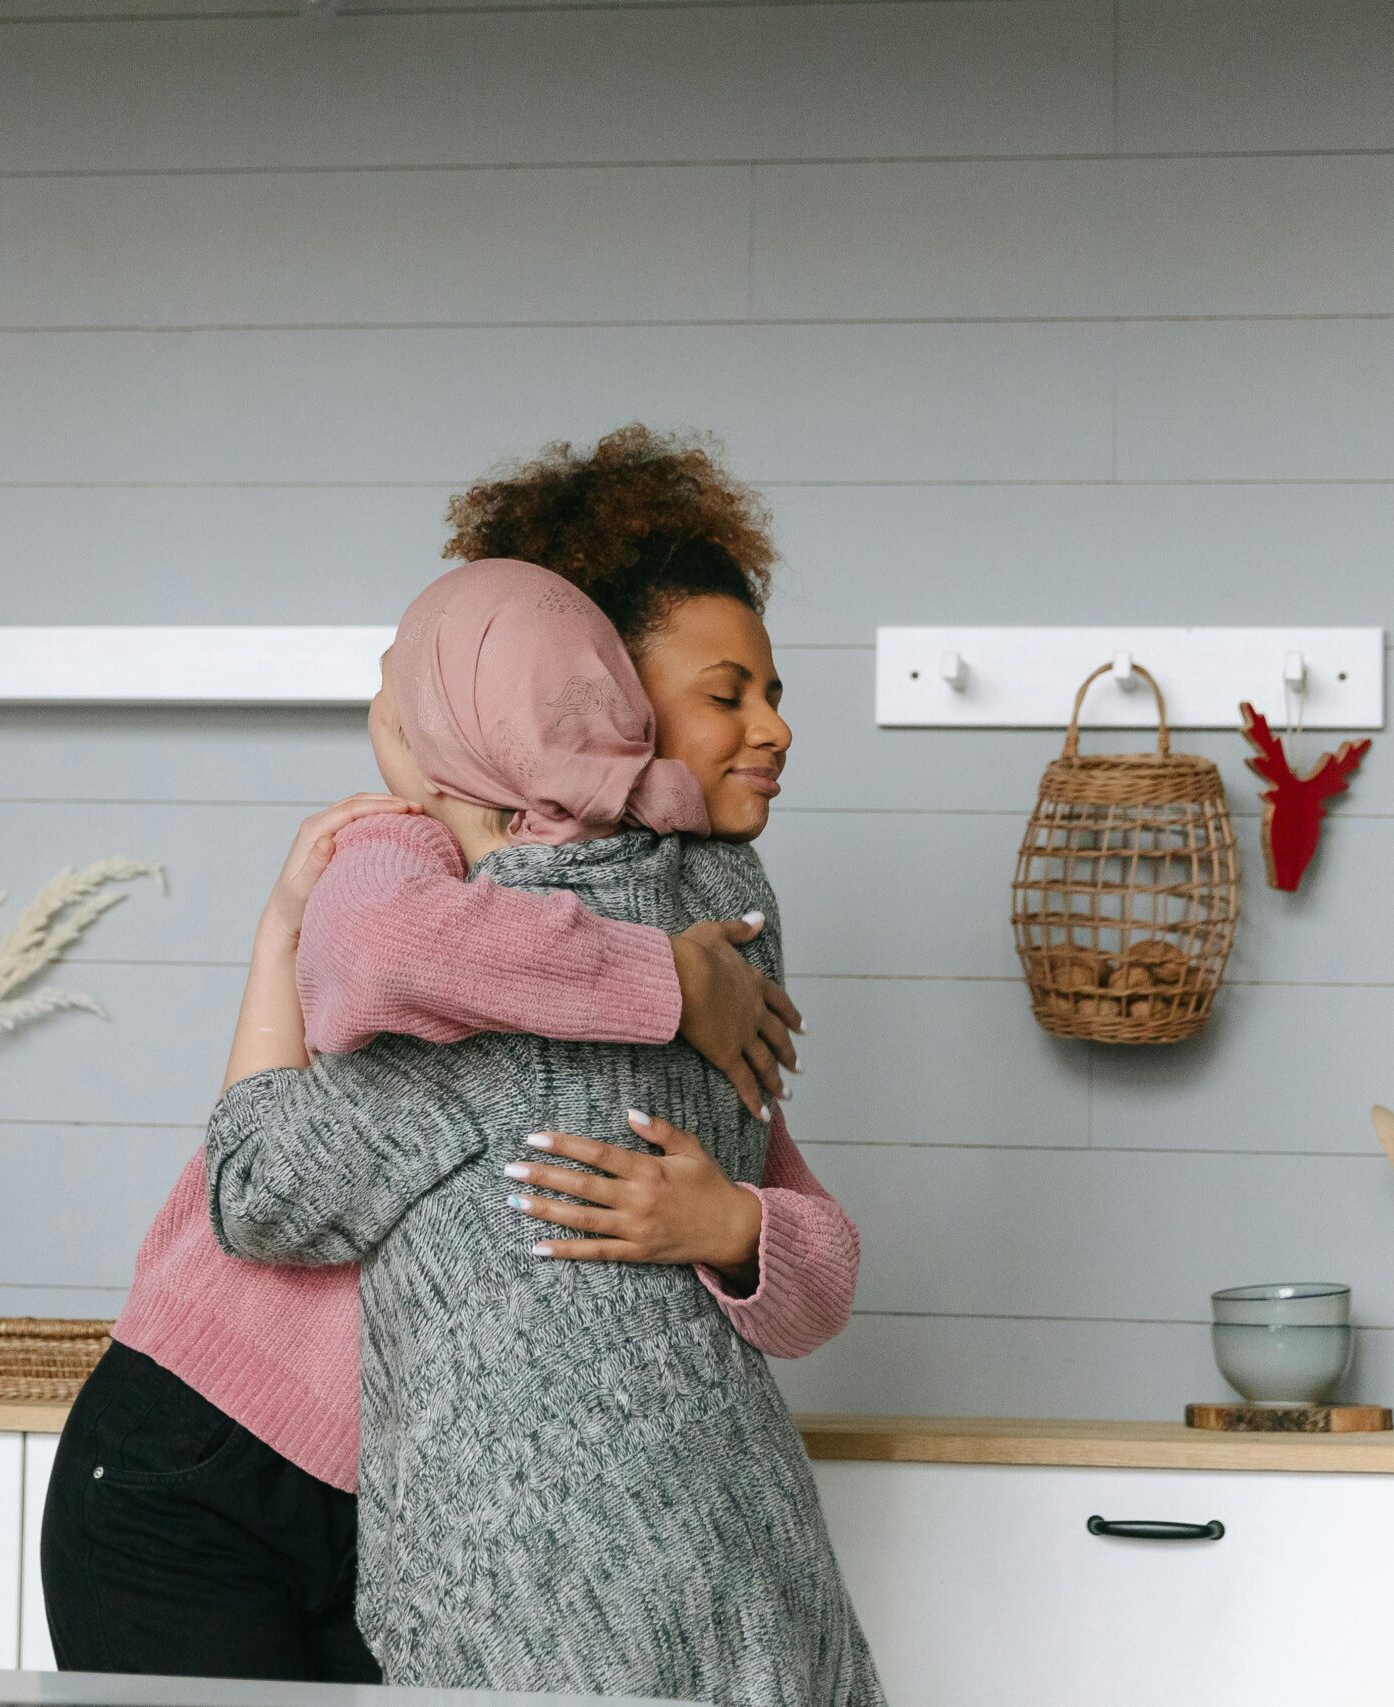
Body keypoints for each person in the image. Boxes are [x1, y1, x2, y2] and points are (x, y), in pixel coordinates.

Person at [42, 426, 859, 1684]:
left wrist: (732, 1222)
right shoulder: (423, 858)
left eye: (773, 691)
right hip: (213, 1449)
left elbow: (805, 1236)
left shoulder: (705, 926)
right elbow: (280, 1164)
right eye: (723, 692)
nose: (772, 729)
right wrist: (660, 981)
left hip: (413, 1507)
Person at [209, 557, 883, 1706]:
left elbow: (259, 1188)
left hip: (545, 1597)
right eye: (728, 696)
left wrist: (313, 898)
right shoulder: (722, 928)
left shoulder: (473, 996)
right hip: (753, 1562)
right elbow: (820, 1263)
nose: (771, 728)